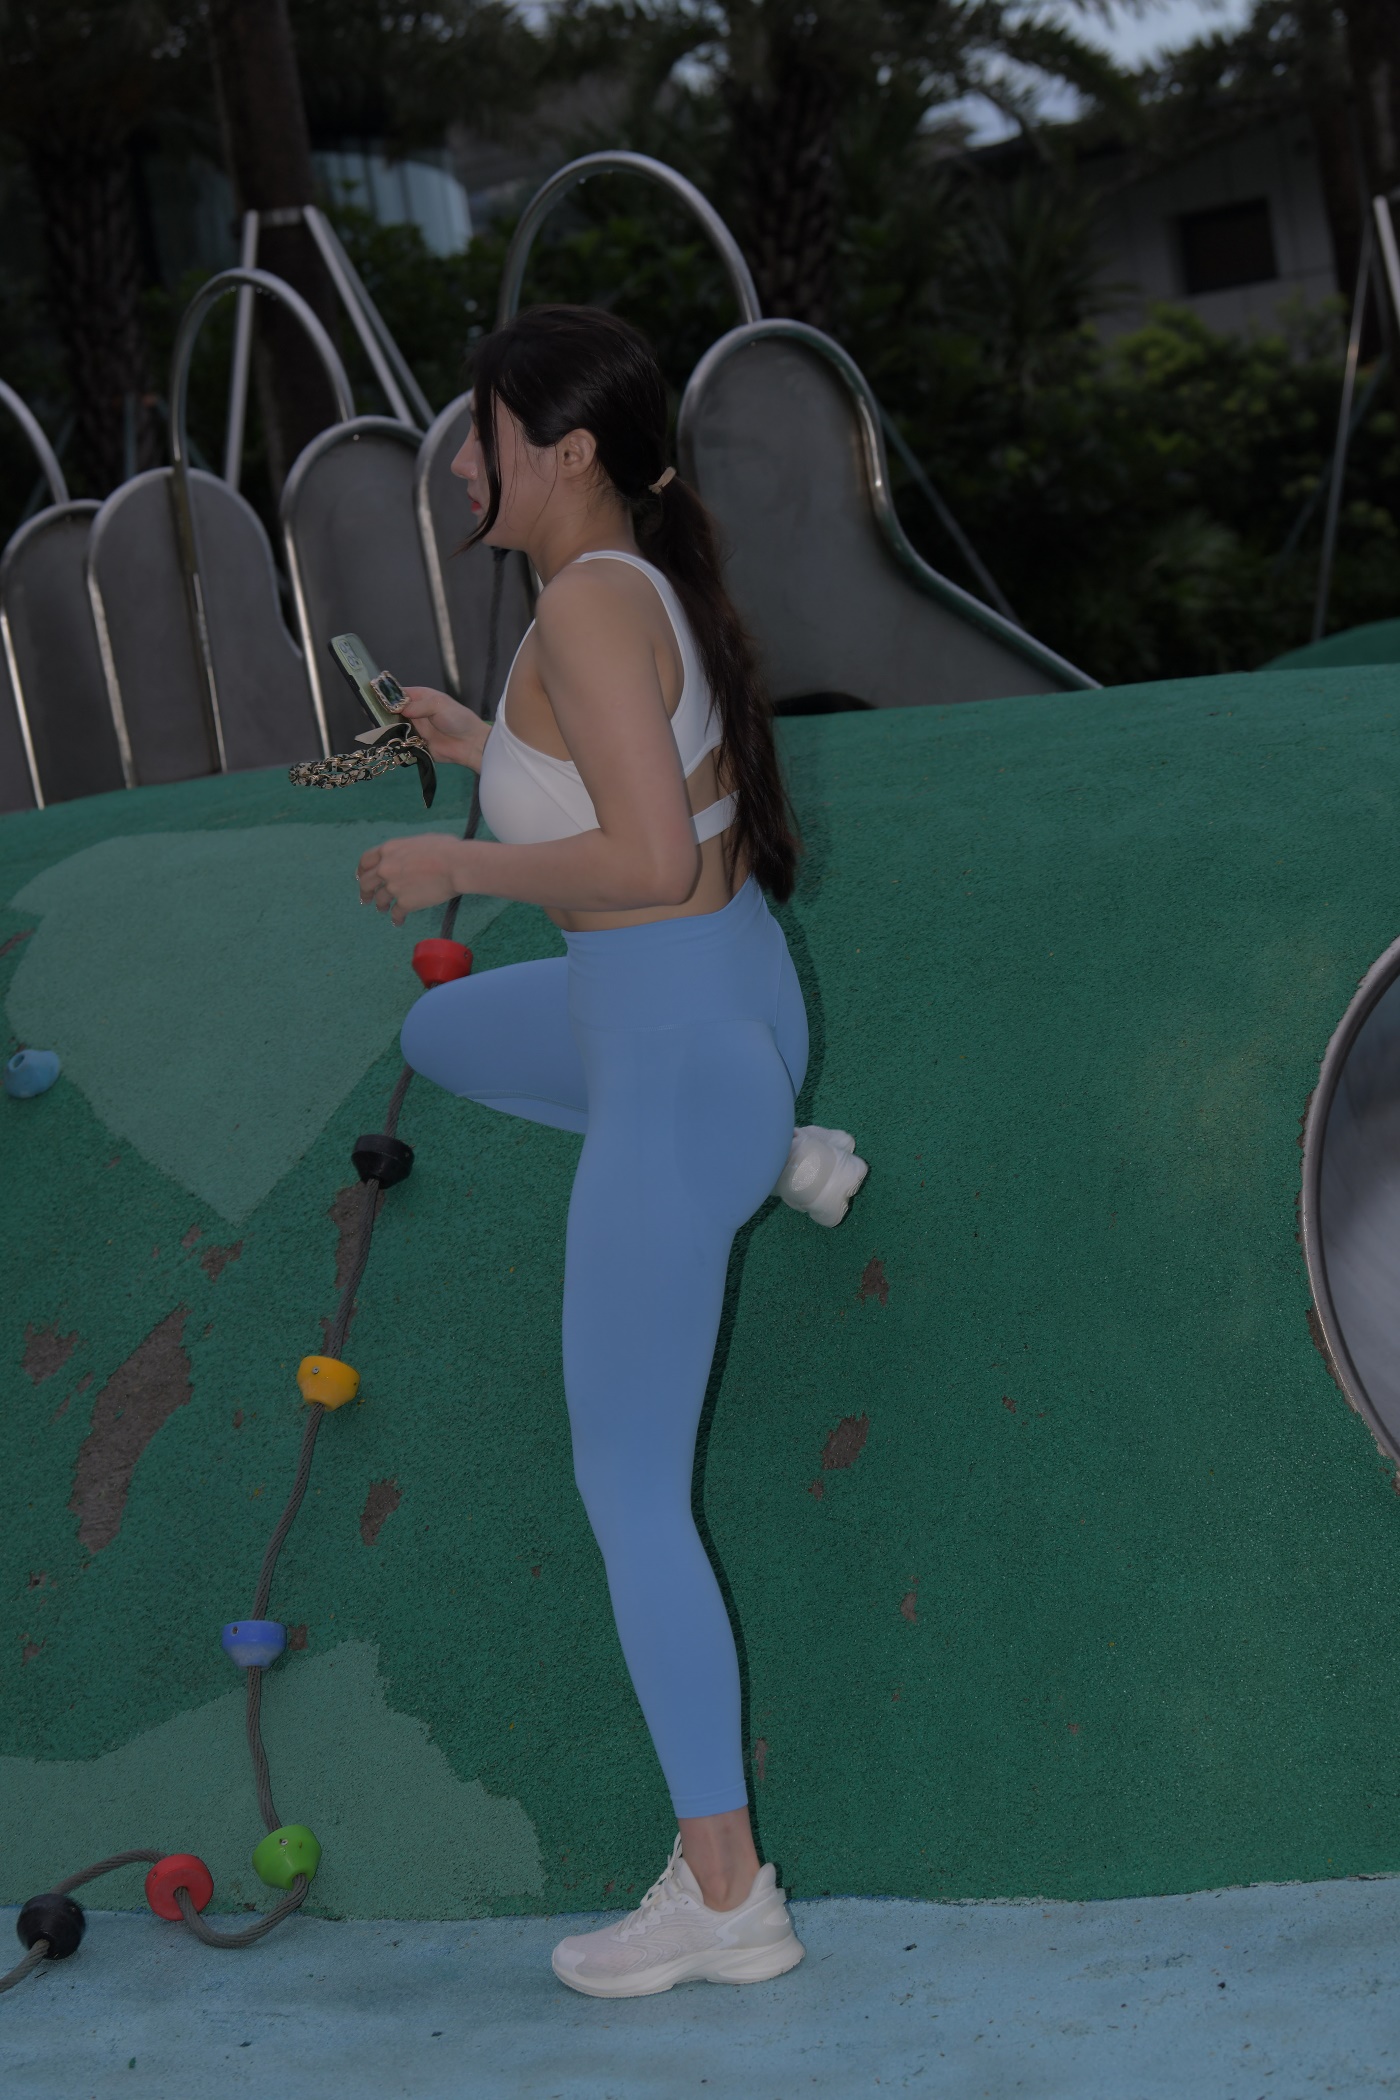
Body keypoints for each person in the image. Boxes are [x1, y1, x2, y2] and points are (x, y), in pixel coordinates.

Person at [355, 305, 862, 1999]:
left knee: (628, 1489)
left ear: (562, 451)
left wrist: (459, 865)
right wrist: (477, 748)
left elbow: (645, 860)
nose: (459, 459)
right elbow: (640, 807)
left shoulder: (579, 605)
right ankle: (769, 1147)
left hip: (673, 1069)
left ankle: (726, 1895)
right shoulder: (624, 582)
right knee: (442, 1037)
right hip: (730, 1017)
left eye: (482, 429)